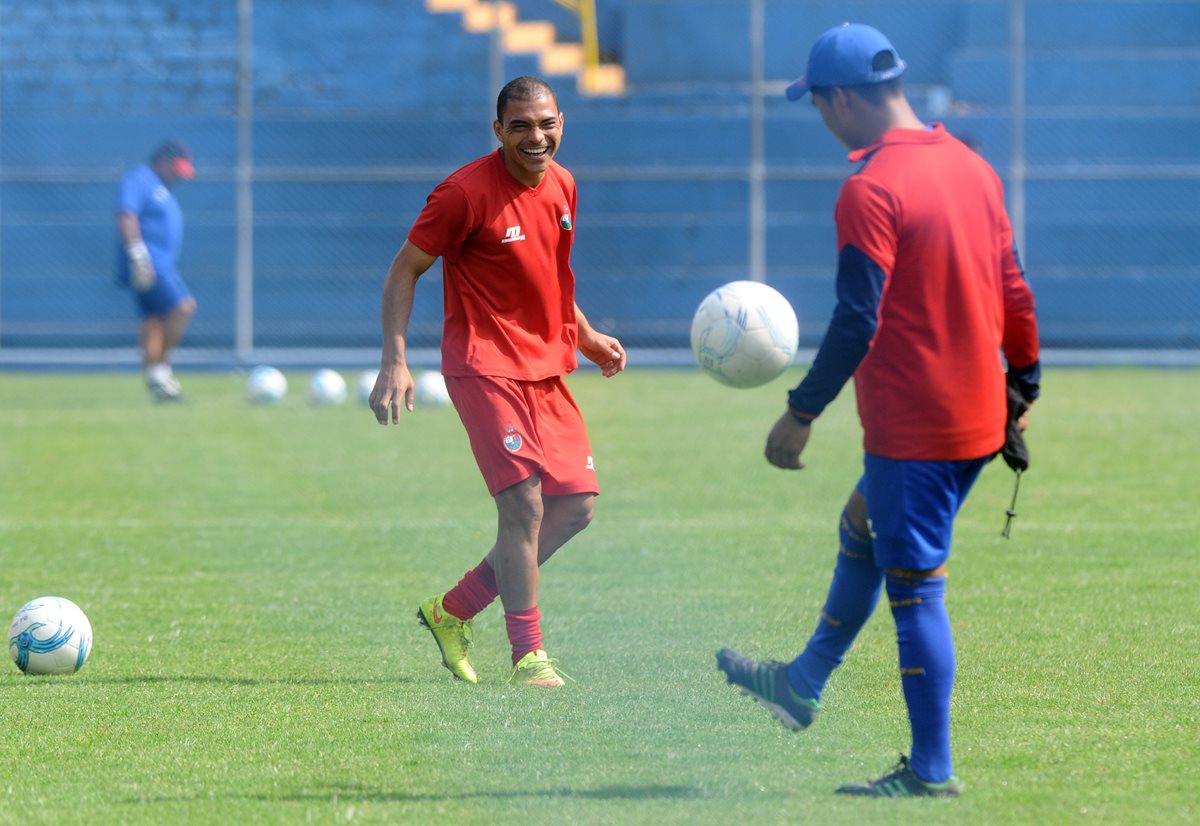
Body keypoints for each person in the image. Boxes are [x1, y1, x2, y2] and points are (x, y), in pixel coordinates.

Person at [716, 23, 1040, 798]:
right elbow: (1014, 287)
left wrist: (801, 411)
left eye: (820, 104)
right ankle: (801, 683)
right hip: (976, 414)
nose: (823, 119)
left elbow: (858, 317)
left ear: (844, 98)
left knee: (917, 588)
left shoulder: (871, 188)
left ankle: (931, 771)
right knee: (863, 526)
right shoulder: (970, 165)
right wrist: (1024, 383)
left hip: (916, 427)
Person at [369, 76, 626, 688]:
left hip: (545, 366)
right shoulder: (463, 193)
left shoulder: (563, 184)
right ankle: (528, 654)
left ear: (561, 121)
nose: (536, 138)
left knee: (576, 507)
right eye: (520, 127)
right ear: (498, 130)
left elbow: (550, 279)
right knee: (525, 506)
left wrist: (584, 337)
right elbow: (404, 271)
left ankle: (452, 610)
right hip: (483, 364)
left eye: (545, 124)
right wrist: (394, 360)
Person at [114, 139, 197, 402]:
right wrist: (138, 254)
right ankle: (161, 369)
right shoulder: (140, 179)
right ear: (163, 161)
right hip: (150, 264)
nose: (178, 177)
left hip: (159, 264)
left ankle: (157, 381)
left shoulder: (161, 187)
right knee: (183, 307)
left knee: (153, 321)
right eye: (176, 169)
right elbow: (126, 214)